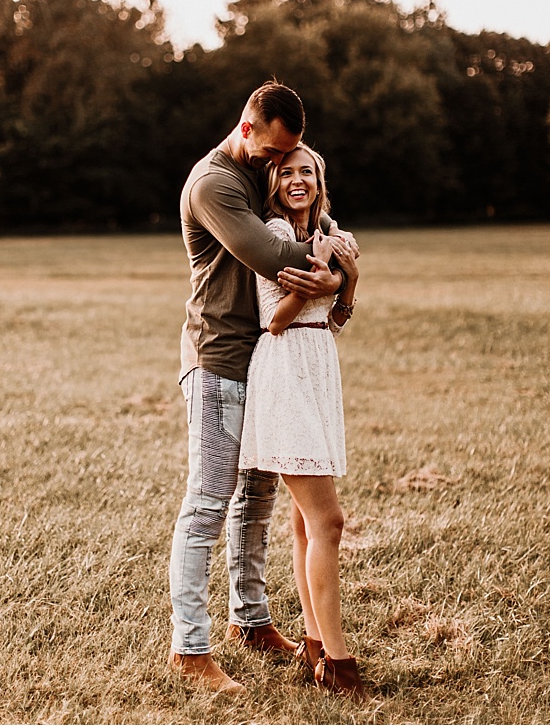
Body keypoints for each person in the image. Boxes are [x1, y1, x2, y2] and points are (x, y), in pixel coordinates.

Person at [169, 81, 358, 694]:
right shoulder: (215, 182)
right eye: (273, 153)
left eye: (290, 155)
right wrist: (336, 267)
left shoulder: (267, 170)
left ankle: (249, 619)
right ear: (247, 129)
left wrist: (338, 248)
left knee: (258, 501)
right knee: (209, 500)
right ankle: (188, 649)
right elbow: (271, 256)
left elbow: (313, 219)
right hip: (219, 357)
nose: (279, 165)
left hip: (265, 364)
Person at [239, 143, 363, 699]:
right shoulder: (273, 236)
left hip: (318, 368)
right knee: (329, 521)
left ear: (319, 179)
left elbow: (333, 321)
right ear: (274, 183)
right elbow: (274, 320)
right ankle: (339, 663)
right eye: (286, 172)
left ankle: (314, 646)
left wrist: (345, 284)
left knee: (304, 522)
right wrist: (317, 276)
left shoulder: (331, 236)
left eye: (306, 171)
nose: (297, 180)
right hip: (284, 370)